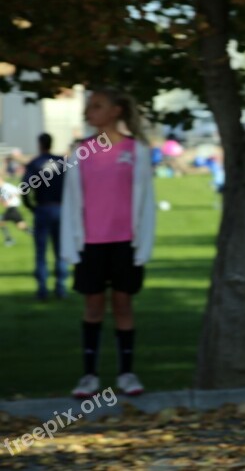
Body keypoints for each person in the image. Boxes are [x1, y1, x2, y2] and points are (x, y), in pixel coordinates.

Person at [61, 88, 156, 398]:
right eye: (89, 107)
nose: (90, 112)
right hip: (90, 244)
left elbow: (145, 202)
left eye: (97, 106)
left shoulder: (136, 150)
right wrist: (71, 245)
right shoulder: (80, 151)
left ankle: (127, 374)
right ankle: (88, 376)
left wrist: (142, 245)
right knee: (93, 306)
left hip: (124, 244)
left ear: (116, 111)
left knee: (123, 305)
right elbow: (71, 201)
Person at [22, 133, 68, 300]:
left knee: (41, 251)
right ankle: (61, 288)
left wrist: (31, 207)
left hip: (42, 209)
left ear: (39, 144)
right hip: (60, 208)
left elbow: (25, 188)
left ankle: (42, 289)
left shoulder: (34, 163)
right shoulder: (62, 162)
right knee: (60, 250)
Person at [0, 176, 30, 247]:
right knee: (21, 225)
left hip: (12, 207)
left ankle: (9, 239)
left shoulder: (7, 187)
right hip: (11, 208)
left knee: (1, 221)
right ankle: (35, 233)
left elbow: (18, 191)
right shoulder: (2, 188)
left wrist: (11, 198)